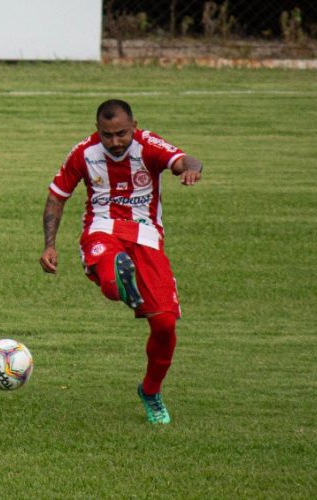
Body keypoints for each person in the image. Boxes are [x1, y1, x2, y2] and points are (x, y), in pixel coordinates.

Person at [39, 99, 203, 425]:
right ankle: (120, 279)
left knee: (165, 325)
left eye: (121, 134)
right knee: (114, 282)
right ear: (97, 130)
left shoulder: (148, 145)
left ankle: (150, 391)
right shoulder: (83, 153)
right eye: (107, 135)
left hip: (146, 237)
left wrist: (192, 170)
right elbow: (57, 195)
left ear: (134, 126)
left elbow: (184, 159)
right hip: (102, 232)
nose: (114, 142)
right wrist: (49, 245)